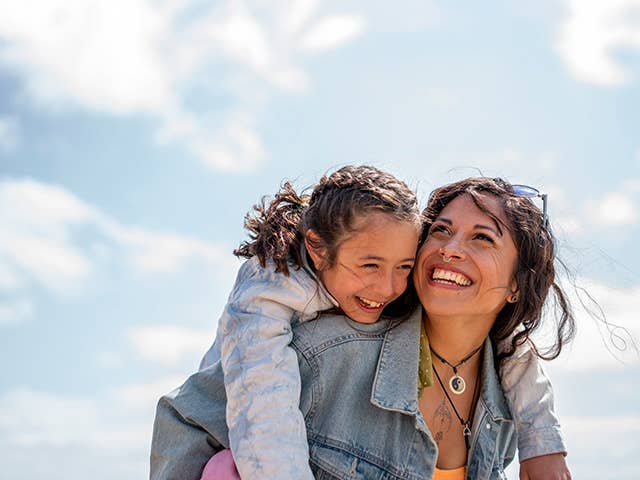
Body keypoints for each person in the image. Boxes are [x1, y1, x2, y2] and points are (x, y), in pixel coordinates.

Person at [150, 174, 573, 480]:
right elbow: (191, 414)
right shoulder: (320, 350)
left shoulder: (507, 402)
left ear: (518, 283)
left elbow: (515, 349)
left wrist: (544, 443)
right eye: (440, 231)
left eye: (482, 238)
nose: (449, 249)